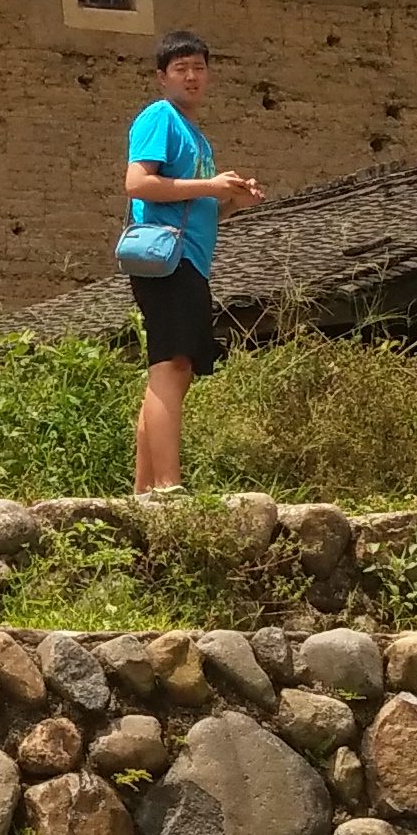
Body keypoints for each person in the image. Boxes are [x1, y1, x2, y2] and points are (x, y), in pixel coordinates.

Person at [123, 31, 261, 495]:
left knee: (174, 370)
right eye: (181, 68)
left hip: (189, 260)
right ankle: (167, 487)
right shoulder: (160, 116)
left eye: (199, 67)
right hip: (167, 258)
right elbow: (138, 184)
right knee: (172, 366)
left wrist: (231, 199)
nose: (191, 76)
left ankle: (144, 491)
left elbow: (195, 206)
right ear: (163, 77)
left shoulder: (196, 137)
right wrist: (209, 185)